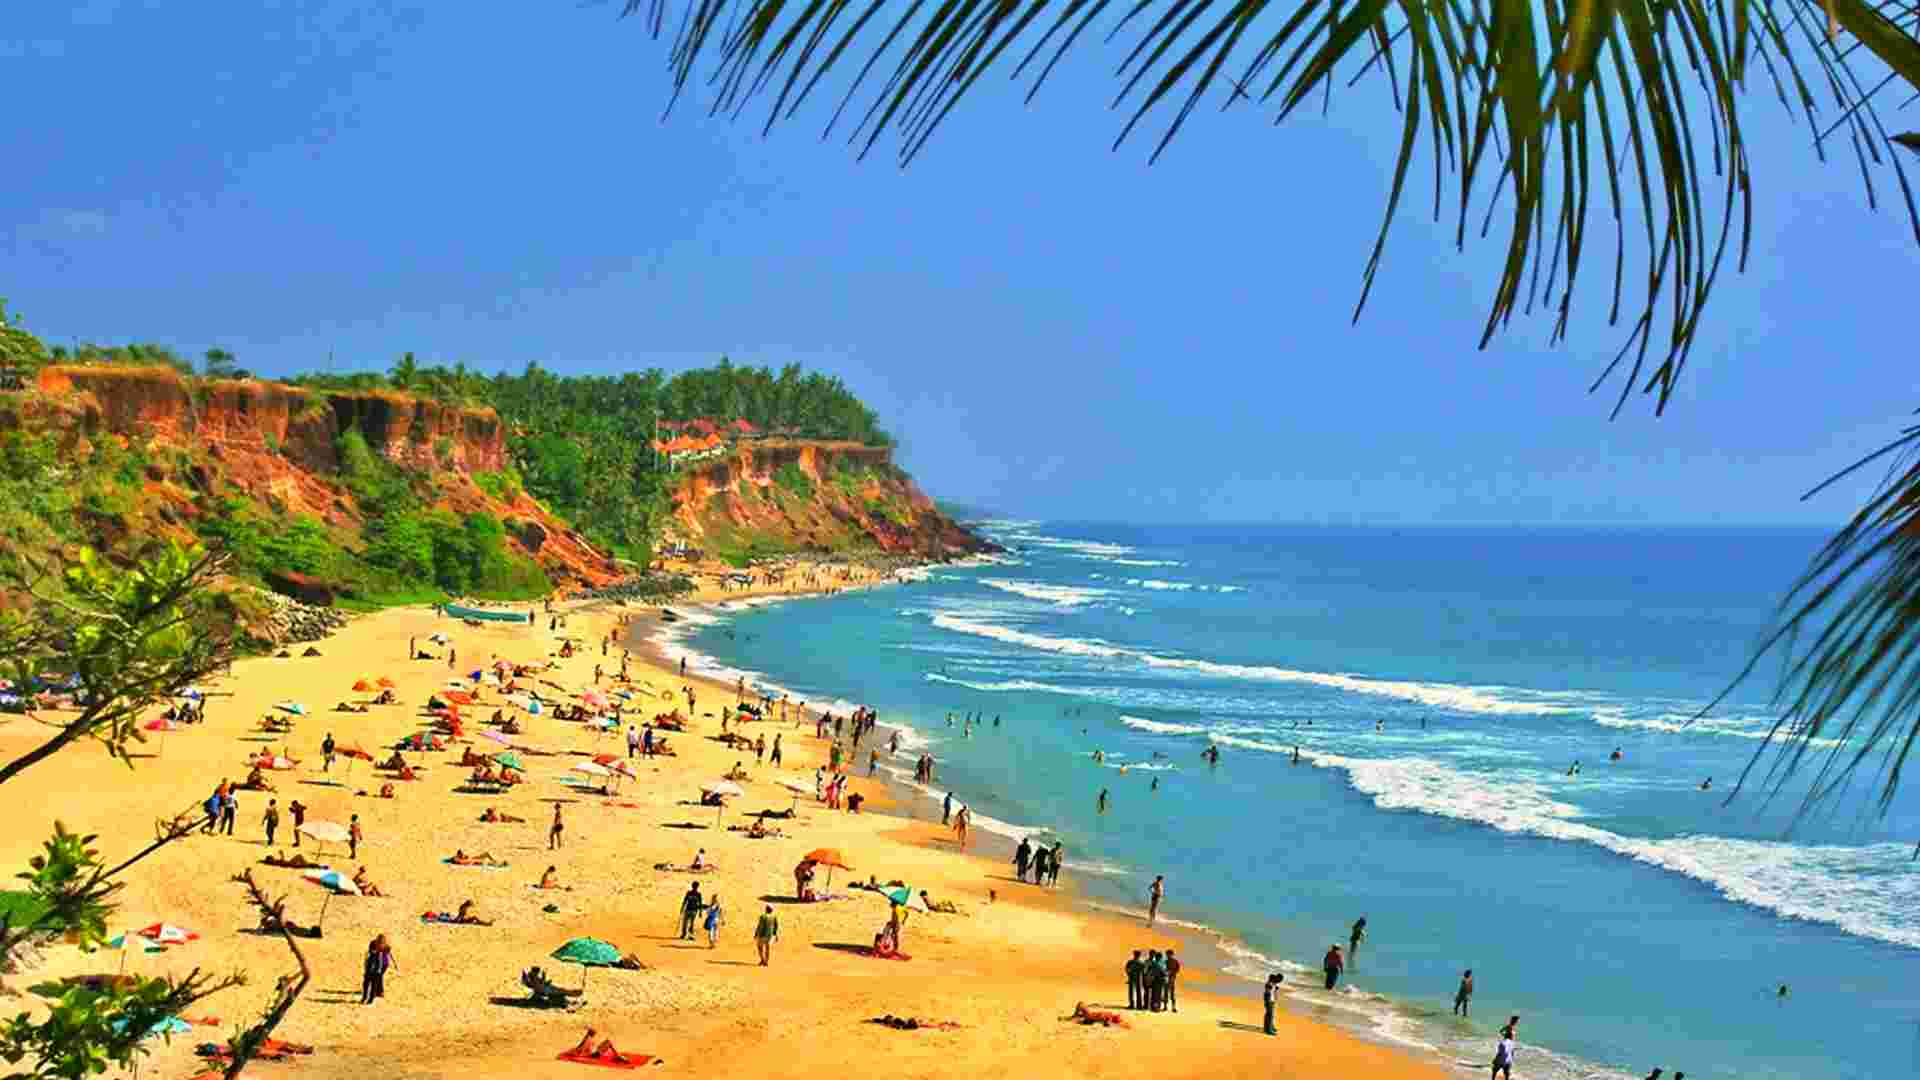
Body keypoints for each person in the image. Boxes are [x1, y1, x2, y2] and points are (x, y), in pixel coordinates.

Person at [361, 934, 394, 1004]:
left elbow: (387, 956)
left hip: (384, 963)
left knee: (379, 976)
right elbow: (370, 953)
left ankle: (379, 991)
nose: (380, 945)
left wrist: (385, 951)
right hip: (375, 962)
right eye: (379, 943)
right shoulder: (373, 944)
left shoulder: (386, 947)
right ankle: (378, 991)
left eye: (381, 943)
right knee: (377, 976)